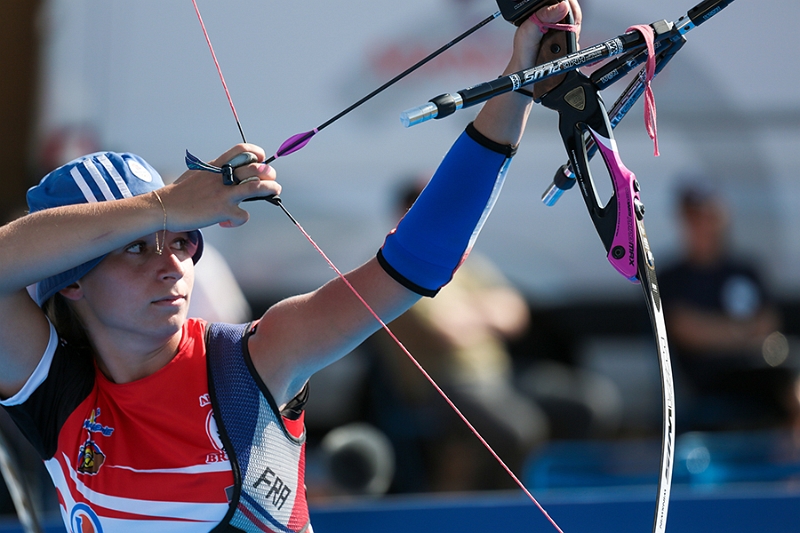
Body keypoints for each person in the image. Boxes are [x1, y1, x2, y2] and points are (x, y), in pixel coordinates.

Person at [0, 2, 581, 532]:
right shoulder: (55, 391)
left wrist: (518, 84)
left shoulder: (252, 360)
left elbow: (417, 261)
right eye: (136, 248)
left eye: (180, 241)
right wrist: (166, 206)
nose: (172, 265)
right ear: (71, 281)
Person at [369, 179, 548, 492]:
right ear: (404, 214)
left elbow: (516, 314)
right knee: (519, 429)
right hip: (443, 388)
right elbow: (446, 332)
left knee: (584, 406)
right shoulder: (398, 267)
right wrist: (487, 311)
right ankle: (501, 510)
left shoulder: (462, 259)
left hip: (497, 379)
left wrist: (468, 313)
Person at [659, 181, 799, 432]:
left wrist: (718, 331)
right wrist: (744, 334)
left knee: (786, 380)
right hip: (707, 377)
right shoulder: (672, 277)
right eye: (695, 218)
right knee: (782, 382)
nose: (703, 225)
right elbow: (686, 331)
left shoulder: (745, 270)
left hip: (757, 369)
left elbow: (769, 324)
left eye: (709, 216)